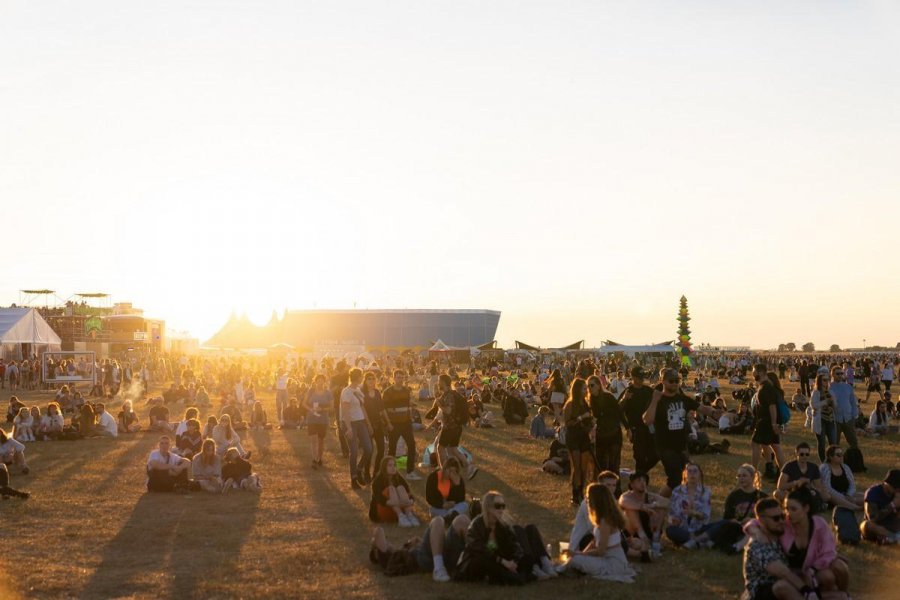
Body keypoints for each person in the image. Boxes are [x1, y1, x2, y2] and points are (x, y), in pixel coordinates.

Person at [742, 498, 842, 600]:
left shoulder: (778, 537)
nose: (781, 521)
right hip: (762, 593)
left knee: (818, 578)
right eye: (776, 518)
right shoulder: (758, 544)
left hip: (786, 585)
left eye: (782, 516)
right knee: (782, 586)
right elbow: (782, 572)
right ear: (761, 521)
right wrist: (805, 590)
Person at [642, 368, 715, 497]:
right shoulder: (658, 399)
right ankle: (658, 502)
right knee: (674, 479)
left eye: (677, 381)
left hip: (681, 445)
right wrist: (654, 400)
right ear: (663, 381)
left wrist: (717, 413)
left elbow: (702, 408)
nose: (675, 383)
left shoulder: (682, 399)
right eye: (671, 381)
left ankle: (679, 502)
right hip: (665, 446)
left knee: (685, 475)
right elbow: (647, 420)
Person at [456, 490, 555, 584]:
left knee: (525, 559)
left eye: (503, 506)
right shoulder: (476, 525)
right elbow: (478, 549)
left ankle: (536, 567)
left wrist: (514, 562)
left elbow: (515, 546)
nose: (501, 510)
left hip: (498, 560)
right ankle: (523, 575)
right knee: (489, 564)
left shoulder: (502, 526)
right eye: (498, 506)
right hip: (478, 562)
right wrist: (503, 561)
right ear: (488, 508)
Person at [557, 483, 637, 583]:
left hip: (611, 563)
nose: (587, 501)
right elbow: (594, 541)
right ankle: (566, 569)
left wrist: (578, 554)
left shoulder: (606, 521)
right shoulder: (602, 517)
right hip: (606, 559)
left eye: (589, 498)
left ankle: (563, 570)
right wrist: (581, 554)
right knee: (576, 558)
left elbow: (601, 551)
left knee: (575, 560)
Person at [369, 512, 471, 583]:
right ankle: (439, 570)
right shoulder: (388, 557)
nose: (388, 543)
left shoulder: (403, 550)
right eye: (386, 543)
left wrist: (418, 542)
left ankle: (474, 560)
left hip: (444, 556)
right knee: (437, 520)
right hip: (424, 560)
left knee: (462, 520)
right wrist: (374, 543)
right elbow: (378, 531)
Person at [432, 373, 476, 480]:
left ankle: (444, 471)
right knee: (453, 449)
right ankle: (469, 466)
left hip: (450, 427)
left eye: (439, 381)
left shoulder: (449, 395)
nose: (438, 383)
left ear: (444, 382)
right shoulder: (450, 393)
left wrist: (439, 405)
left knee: (440, 448)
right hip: (456, 426)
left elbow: (448, 410)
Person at [819, 445, 863, 545]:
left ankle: (863, 504)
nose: (841, 457)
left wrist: (849, 495)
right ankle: (855, 508)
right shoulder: (824, 468)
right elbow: (827, 487)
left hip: (846, 495)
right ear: (830, 457)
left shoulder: (845, 467)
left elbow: (852, 485)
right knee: (831, 495)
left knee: (863, 495)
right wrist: (844, 497)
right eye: (838, 455)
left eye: (842, 454)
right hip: (832, 497)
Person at [618, 471, 668, 559]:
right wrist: (643, 507)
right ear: (632, 484)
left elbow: (666, 502)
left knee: (660, 507)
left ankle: (655, 539)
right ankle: (644, 539)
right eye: (639, 481)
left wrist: (654, 505)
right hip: (633, 532)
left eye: (644, 481)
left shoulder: (650, 496)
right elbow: (623, 502)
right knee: (630, 509)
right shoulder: (627, 496)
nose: (642, 483)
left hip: (649, 528)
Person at [619, 366, 658, 474]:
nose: (642, 379)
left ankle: (640, 474)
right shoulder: (628, 392)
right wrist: (628, 428)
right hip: (636, 429)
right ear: (633, 377)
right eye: (639, 377)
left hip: (650, 428)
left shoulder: (648, 390)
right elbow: (619, 411)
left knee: (656, 454)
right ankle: (639, 480)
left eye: (643, 377)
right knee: (640, 458)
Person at [665, 462, 714, 547]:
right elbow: (671, 513)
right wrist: (673, 520)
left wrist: (694, 513)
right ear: (685, 474)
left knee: (714, 527)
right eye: (689, 471)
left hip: (699, 528)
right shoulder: (677, 491)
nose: (692, 474)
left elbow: (705, 516)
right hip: (682, 528)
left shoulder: (706, 491)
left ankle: (690, 541)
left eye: (695, 471)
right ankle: (698, 541)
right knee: (670, 530)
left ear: (700, 475)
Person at [383, 369, 421, 481]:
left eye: (402, 377)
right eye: (398, 377)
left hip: (406, 423)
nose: (400, 379)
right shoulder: (388, 392)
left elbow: (408, 404)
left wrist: (411, 413)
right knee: (392, 449)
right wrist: (388, 424)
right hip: (394, 424)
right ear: (393, 378)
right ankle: (388, 472)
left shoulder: (406, 390)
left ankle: (410, 471)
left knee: (412, 446)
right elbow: (384, 409)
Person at [588, 375, 624, 492]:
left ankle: (616, 491)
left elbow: (619, 412)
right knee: (601, 464)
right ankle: (602, 490)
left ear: (599, 385)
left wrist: (628, 428)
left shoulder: (608, 397)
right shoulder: (592, 399)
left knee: (614, 464)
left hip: (614, 433)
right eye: (588, 386)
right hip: (602, 433)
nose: (590, 388)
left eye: (592, 385)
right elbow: (597, 415)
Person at [341, 367, 375, 489]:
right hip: (349, 423)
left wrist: (368, 423)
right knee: (354, 451)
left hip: (361, 422)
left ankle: (359, 469)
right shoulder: (347, 391)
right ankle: (354, 478)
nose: (362, 378)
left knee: (369, 448)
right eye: (361, 376)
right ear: (358, 377)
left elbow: (362, 408)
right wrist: (349, 428)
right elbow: (345, 410)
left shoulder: (358, 391)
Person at [750, 363, 785, 479]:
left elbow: (772, 406)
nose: (753, 374)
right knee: (775, 446)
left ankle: (753, 472)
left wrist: (774, 423)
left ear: (760, 372)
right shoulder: (765, 386)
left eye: (754, 371)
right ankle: (783, 474)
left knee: (755, 444)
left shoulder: (766, 387)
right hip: (768, 421)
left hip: (766, 421)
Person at [563, 378, 594, 505]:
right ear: (577, 390)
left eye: (586, 388)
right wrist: (582, 417)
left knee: (584, 467)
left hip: (584, 437)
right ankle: (575, 494)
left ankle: (582, 491)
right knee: (576, 467)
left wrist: (591, 423)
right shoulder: (570, 404)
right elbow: (568, 423)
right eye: (583, 388)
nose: (586, 390)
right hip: (573, 437)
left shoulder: (585, 403)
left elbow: (589, 421)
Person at [775, 443, 828, 514]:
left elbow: (818, 487)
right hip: (792, 492)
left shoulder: (813, 467)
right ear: (796, 453)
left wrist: (810, 485)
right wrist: (796, 482)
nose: (804, 456)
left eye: (807, 454)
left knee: (826, 496)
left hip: (808, 492)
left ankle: (801, 504)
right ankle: (809, 504)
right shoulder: (789, 466)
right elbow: (780, 486)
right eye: (802, 454)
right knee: (777, 493)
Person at [368, 456, 419, 527]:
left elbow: (409, 493)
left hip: (397, 509)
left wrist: (411, 500)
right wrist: (402, 503)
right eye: (390, 465)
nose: (393, 468)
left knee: (401, 487)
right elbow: (381, 500)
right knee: (391, 488)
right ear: (384, 467)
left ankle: (409, 515)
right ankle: (401, 517)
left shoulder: (398, 477)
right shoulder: (377, 481)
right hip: (382, 511)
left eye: (394, 465)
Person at [860, 468, 900, 545]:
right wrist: (892, 505)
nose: (897, 491)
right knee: (867, 525)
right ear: (887, 484)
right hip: (877, 526)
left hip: (892, 525)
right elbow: (872, 518)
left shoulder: (897, 494)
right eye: (896, 488)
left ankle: (890, 539)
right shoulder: (873, 493)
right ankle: (894, 538)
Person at [362, 371, 388, 481]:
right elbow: (362, 411)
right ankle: (366, 472)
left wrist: (388, 422)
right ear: (365, 380)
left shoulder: (377, 392)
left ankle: (376, 472)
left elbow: (382, 409)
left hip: (378, 424)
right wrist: (368, 425)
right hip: (367, 424)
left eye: (373, 379)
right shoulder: (362, 393)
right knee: (369, 450)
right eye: (369, 379)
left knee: (381, 449)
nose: (371, 381)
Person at [808, 373, 837, 462]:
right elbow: (813, 405)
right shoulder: (816, 392)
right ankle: (823, 461)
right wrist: (825, 402)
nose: (826, 382)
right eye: (824, 380)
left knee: (833, 442)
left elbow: (835, 406)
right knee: (822, 443)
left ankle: (833, 460)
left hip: (831, 419)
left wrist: (833, 403)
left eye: (827, 380)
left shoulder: (831, 392)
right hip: (821, 420)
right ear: (819, 381)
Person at [829, 367, 859, 450]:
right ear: (832, 375)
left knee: (853, 442)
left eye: (841, 373)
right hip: (835, 420)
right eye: (837, 374)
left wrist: (854, 415)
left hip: (848, 418)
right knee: (834, 444)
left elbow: (853, 402)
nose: (840, 375)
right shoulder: (829, 388)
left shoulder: (848, 387)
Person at [305, 374, 331, 469]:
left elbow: (331, 407)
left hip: (322, 419)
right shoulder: (311, 391)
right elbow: (304, 403)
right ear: (315, 381)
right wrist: (311, 409)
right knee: (313, 440)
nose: (320, 382)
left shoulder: (328, 393)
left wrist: (322, 409)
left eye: (322, 380)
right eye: (318, 380)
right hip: (312, 418)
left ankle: (319, 458)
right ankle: (314, 459)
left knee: (320, 441)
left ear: (324, 382)